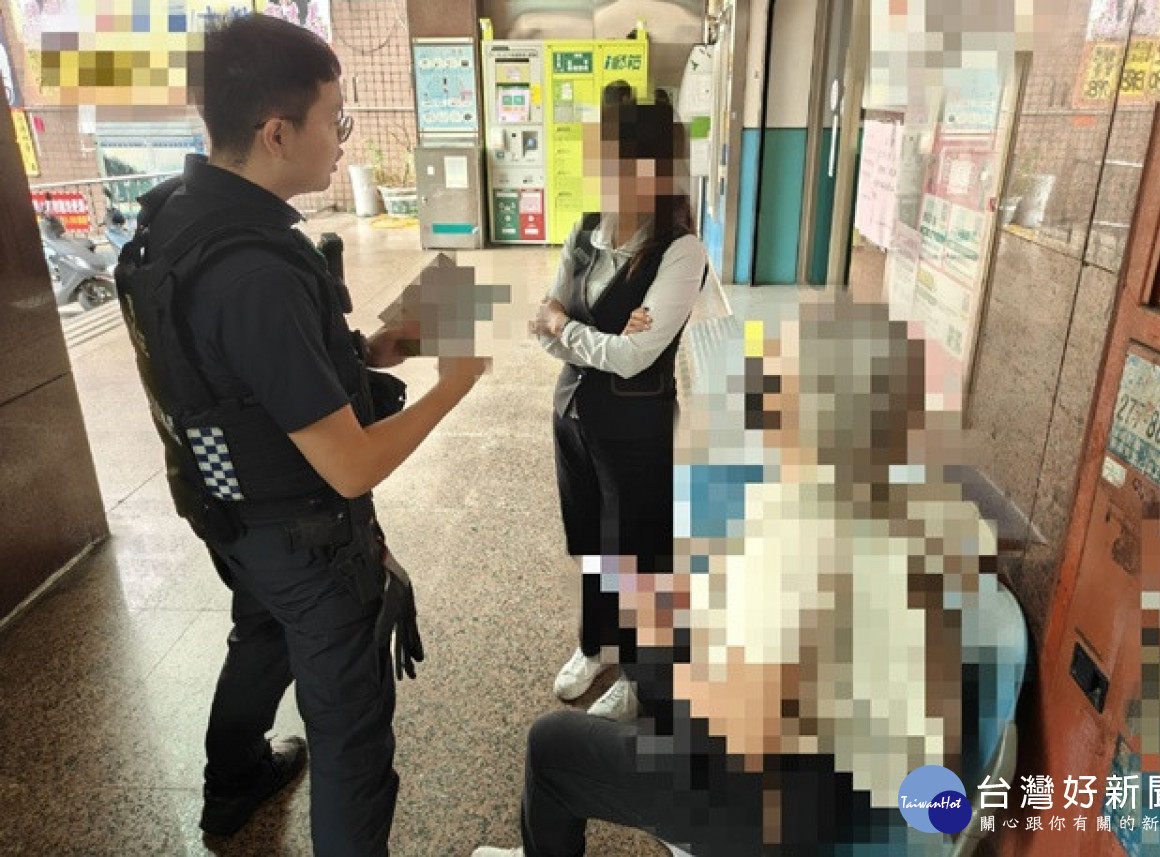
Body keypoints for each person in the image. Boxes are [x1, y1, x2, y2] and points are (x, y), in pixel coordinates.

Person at [114, 14, 487, 856]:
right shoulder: (256, 272)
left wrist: (372, 351)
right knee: (352, 736)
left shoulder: (178, 217)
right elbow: (350, 467)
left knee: (262, 635)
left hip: (226, 510)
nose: (344, 138)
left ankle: (234, 780)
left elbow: (237, 375)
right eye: (335, 119)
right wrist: (452, 387)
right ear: (276, 133)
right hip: (306, 540)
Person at [476, 294, 1001, 857]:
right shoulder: (906, 511)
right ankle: (657, 741)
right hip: (851, 767)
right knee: (657, 651)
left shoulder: (819, 546)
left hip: (786, 804)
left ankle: (674, 818)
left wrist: (686, 631)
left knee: (552, 746)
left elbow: (756, 716)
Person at [529, 82, 708, 722]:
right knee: (593, 543)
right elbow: (540, 326)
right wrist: (578, 333)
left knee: (637, 557)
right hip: (574, 419)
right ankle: (594, 644)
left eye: (611, 159)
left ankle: (640, 677)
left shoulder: (680, 252)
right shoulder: (585, 231)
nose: (597, 171)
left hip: (636, 430)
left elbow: (633, 357)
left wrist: (565, 325)